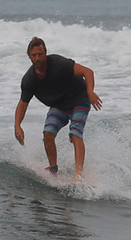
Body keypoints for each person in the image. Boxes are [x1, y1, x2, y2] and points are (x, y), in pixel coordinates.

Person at [14, 37, 102, 181]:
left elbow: (88, 72)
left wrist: (90, 91)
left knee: (75, 132)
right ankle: (53, 169)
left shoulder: (59, 64)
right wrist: (17, 125)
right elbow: (23, 104)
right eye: (34, 55)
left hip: (79, 100)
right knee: (48, 133)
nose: (38, 58)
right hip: (60, 105)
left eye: (40, 54)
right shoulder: (29, 79)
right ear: (29, 57)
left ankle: (78, 174)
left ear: (45, 53)